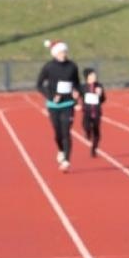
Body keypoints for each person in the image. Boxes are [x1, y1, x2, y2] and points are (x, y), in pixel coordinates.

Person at [35, 39, 82, 173]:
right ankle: (61, 150)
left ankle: (66, 161)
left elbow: (77, 83)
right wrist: (50, 96)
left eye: (65, 52)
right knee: (58, 133)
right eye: (61, 52)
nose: (63, 54)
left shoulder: (72, 66)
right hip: (53, 105)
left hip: (68, 104)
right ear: (54, 53)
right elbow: (39, 85)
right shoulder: (48, 67)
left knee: (66, 131)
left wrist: (77, 93)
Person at [79, 68, 106, 157]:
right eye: (92, 75)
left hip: (96, 111)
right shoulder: (83, 87)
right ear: (88, 77)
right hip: (87, 111)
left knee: (96, 132)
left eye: (95, 75)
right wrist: (76, 104)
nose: (94, 77)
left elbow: (103, 99)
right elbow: (76, 96)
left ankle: (94, 149)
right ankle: (87, 132)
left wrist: (100, 94)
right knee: (85, 125)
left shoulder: (99, 86)